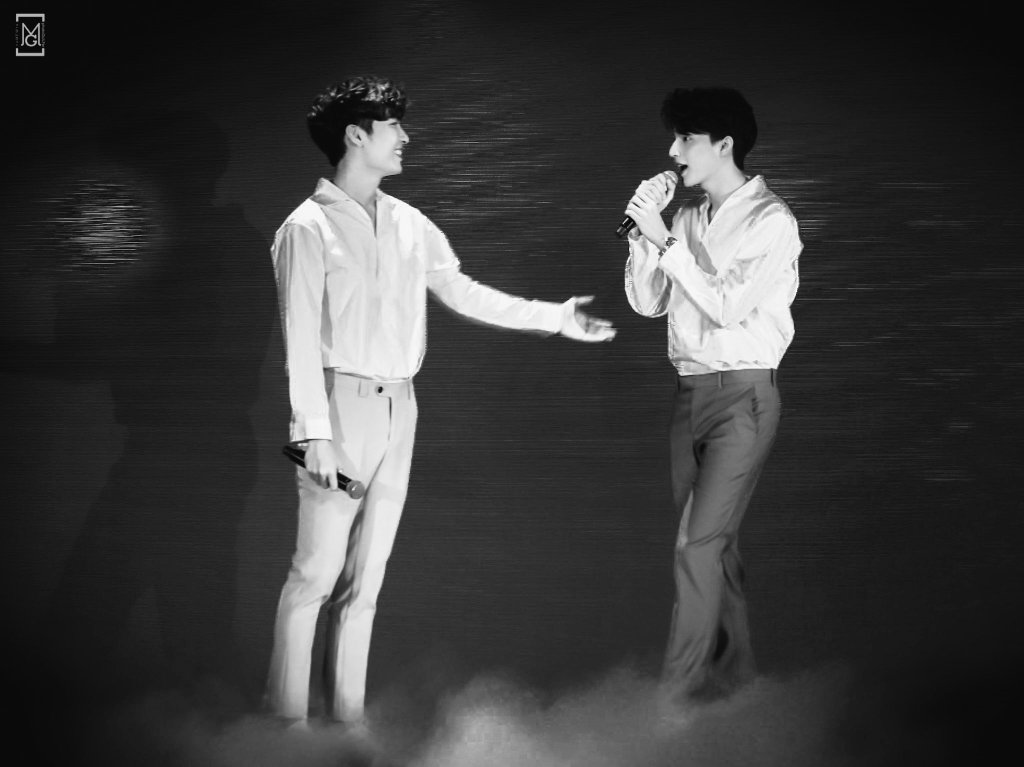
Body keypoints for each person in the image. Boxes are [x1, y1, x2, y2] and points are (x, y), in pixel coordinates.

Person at [266, 75, 616, 729]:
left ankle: (345, 725)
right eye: (393, 126)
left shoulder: (409, 222)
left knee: (366, 581)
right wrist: (312, 433)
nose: (405, 137)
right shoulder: (305, 228)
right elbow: (299, 339)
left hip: (401, 407)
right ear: (356, 135)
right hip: (340, 408)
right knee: (314, 574)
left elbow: (464, 292)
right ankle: (284, 732)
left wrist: (555, 317)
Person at [622, 86, 802, 703]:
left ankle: (674, 700)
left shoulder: (772, 220)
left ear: (724, 145)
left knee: (695, 546)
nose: (673, 153)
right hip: (689, 395)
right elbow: (649, 302)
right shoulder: (686, 217)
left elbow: (726, 306)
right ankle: (736, 686)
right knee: (714, 548)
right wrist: (642, 234)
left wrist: (664, 241)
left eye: (685, 139)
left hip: (744, 397)